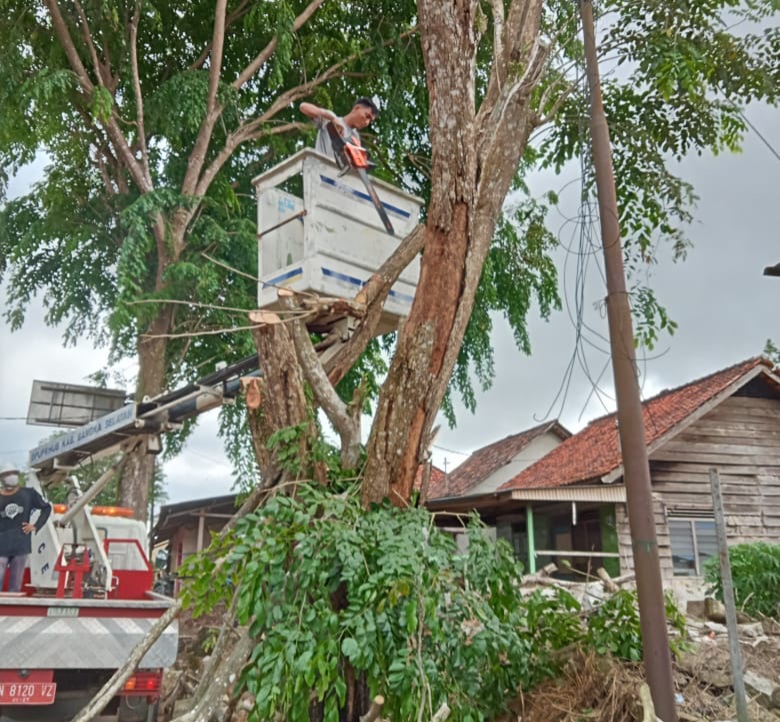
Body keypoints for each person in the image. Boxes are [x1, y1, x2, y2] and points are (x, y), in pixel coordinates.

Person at [0, 463, 52, 593]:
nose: (11, 477)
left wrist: (35, 526)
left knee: (15, 583)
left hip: (21, 545)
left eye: (13, 473)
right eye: (7, 474)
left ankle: (11, 611)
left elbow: (46, 508)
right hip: (1, 545)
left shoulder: (28, 494)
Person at [299, 97, 379, 161]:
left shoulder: (355, 138)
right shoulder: (329, 120)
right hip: (319, 173)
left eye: (370, 121)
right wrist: (332, 118)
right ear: (357, 108)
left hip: (337, 178)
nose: (366, 122)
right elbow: (303, 107)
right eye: (367, 116)